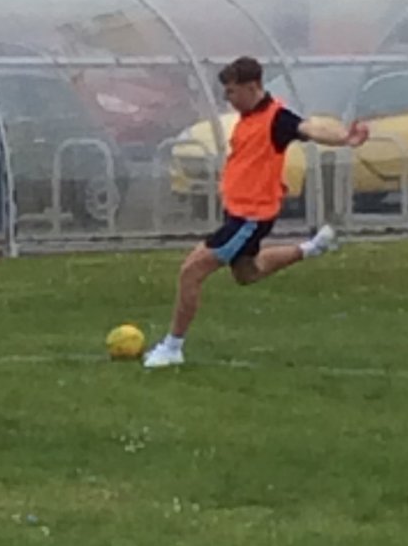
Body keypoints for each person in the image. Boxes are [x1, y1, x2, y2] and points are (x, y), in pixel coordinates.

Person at [143, 56, 370, 369]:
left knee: (191, 272)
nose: (228, 99)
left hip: (249, 218)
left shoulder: (278, 118)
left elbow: (310, 127)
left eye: (232, 92)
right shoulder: (248, 117)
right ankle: (311, 247)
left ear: (252, 87)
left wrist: (345, 138)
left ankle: (172, 347)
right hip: (239, 213)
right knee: (247, 273)